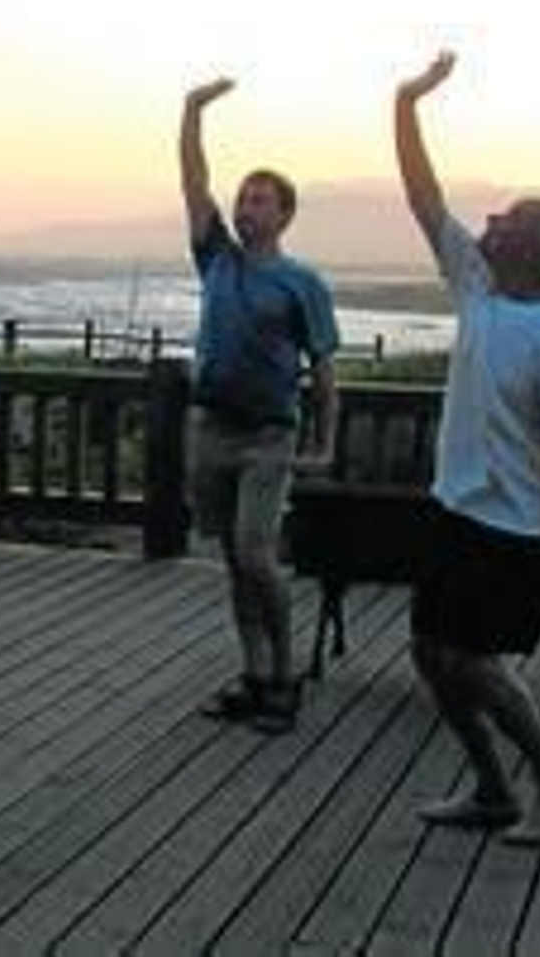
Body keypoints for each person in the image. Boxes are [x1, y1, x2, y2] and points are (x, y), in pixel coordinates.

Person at [395, 52, 540, 847]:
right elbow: (422, 193)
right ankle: (491, 789)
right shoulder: (475, 286)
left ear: (531, 247)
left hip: (517, 529)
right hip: (456, 509)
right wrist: (406, 102)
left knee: (475, 663)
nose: (491, 220)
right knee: (428, 654)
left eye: (509, 218)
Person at [179, 77, 341, 734]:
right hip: (211, 427)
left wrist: (324, 443)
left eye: (260, 200)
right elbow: (193, 182)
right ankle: (255, 675)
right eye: (242, 198)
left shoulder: (303, 283)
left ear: (283, 215)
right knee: (230, 560)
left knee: (254, 555)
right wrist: (191, 113)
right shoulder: (216, 259)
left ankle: (286, 672)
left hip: (270, 435)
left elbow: (327, 368)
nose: (245, 208)